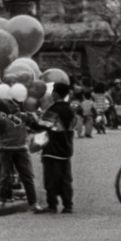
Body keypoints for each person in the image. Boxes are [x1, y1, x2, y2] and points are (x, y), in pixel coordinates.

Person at [39, 81, 75, 213]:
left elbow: (42, 126)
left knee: (51, 178)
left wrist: (31, 121)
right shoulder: (70, 110)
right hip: (66, 148)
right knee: (66, 178)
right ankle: (68, 205)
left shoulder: (53, 110)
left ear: (54, 93)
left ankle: (52, 205)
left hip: (52, 148)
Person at [0, 101, 36, 206]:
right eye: (11, 103)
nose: (15, 105)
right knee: (4, 175)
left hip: (21, 149)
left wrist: (32, 115)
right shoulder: (1, 118)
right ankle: (2, 199)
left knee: (27, 176)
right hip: (5, 149)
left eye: (17, 103)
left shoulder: (23, 116)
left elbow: (34, 124)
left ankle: (33, 202)